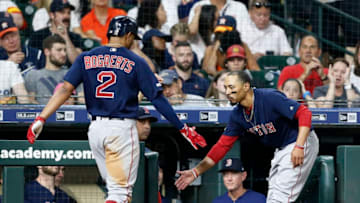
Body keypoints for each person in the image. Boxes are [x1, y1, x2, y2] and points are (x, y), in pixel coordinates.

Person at [26, 16, 207, 203]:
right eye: (133, 38)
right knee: (119, 194)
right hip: (120, 132)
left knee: (117, 192)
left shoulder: (86, 57)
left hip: (95, 131)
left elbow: (65, 89)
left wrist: (41, 118)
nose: (133, 41)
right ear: (128, 35)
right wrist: (182, 127)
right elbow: (158, 98)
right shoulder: (136, 61)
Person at [175, 71, 319, 202]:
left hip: (301, 140)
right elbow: (221, 146)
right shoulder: (237, 115)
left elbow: (304, 113)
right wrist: (196, 171)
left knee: (280, 198)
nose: (227, 92)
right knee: (273, 195)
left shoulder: (268, 97)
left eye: (231, 87)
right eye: (225, 88)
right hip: (282, 148)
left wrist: (299, 146)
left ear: (245, 86)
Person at [25, 35, 83, 105]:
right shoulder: (33, 75)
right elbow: (30, 102)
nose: (63, 54)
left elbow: (81, 100)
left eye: (65, 50)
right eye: (59, 50)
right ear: (47, 52)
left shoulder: (74, 74)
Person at [28, 0, 82, 64]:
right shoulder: (38, 36)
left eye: (68, 13)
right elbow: (31, 61)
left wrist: (66, 37)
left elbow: (77, 62)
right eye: (62, 12)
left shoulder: (75, 37)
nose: (66, 16)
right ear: (52, 15)